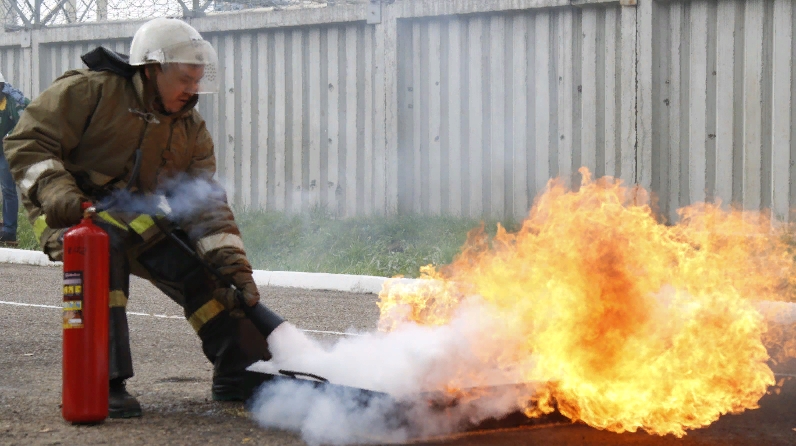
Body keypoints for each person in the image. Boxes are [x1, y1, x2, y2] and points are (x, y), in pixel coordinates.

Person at [3, 18, 270, 418]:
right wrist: (58, 193)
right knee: (101, 253)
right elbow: (26, 139)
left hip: (134, 216)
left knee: (208, 274)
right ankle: (101, 380)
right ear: (151, 69)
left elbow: (205, 204)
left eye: (198, 80)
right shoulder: (89, 91)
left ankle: (235, 372)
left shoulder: (189, 128)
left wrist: (233, 268)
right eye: (184, 79)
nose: (192, 90)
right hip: (73, 217)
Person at [0, 73, 30, 246]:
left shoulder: (13, 102)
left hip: (6, 151)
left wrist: (10, 135)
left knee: (8, 189)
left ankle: (9, 231)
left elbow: (27, 119)